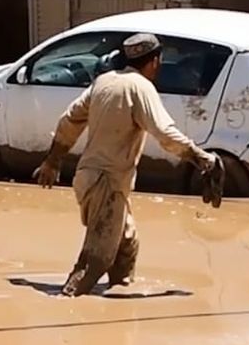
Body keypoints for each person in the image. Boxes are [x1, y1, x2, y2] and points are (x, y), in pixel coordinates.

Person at [33, 33, 224, 297]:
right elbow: (165, 134)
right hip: (107, 185)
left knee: (127, 245)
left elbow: (69, 121)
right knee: (94, 261)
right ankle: (67, 305)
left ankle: (117, 303)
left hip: (91, 180)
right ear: (155, 61)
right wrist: (201, 157)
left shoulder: (103, 83)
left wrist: (52, 161)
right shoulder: (140, 87)